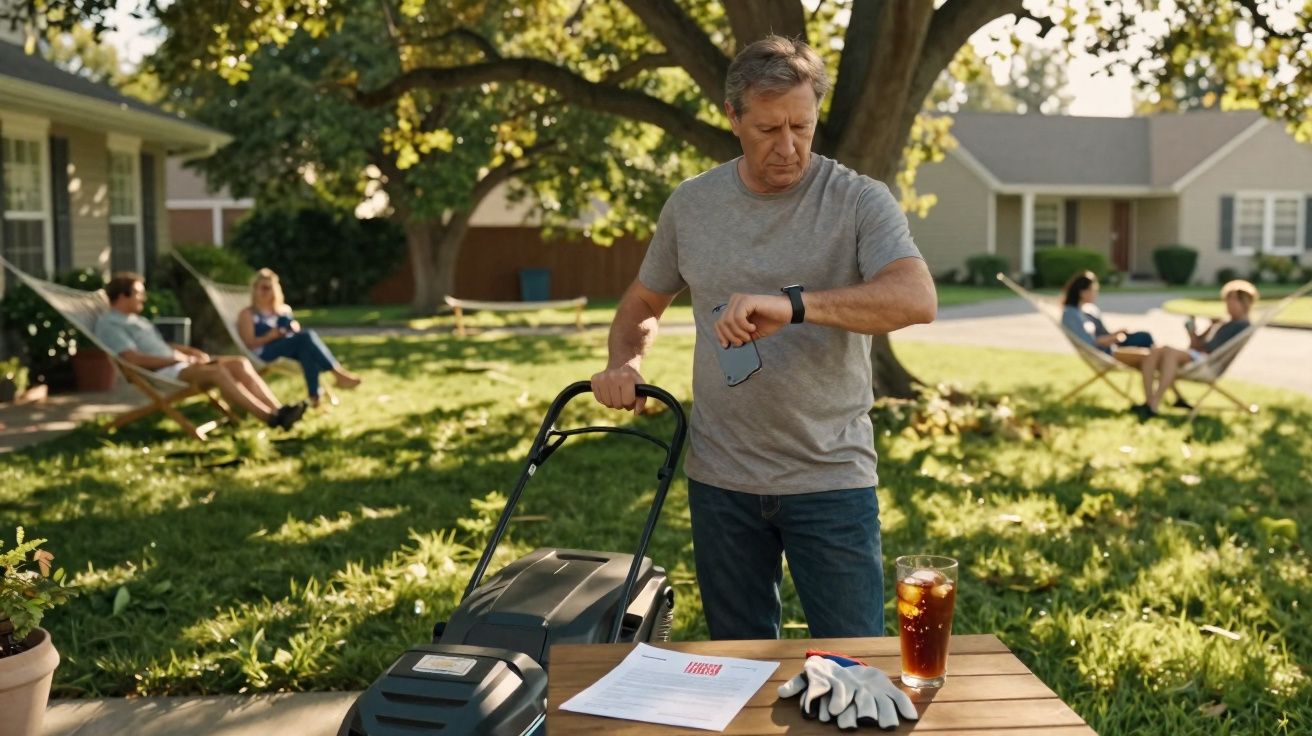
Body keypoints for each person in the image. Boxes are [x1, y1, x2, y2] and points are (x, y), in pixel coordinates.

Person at [590, 36, 937, 641]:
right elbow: (642, 304)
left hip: (831, 476)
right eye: (769, 128)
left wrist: (796, 306)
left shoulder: (857, 200)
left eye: (802, 126)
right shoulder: (692, 205)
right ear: (733, 117)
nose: (789, 147)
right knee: (737, 663)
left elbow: (916, 298)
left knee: (854, 660)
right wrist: (626, 361)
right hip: (721, 479)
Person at [94, 272, 306, 429]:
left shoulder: (137, 320)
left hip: (177, 363)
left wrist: (188, 352)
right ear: (122, 296)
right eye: (139, 294)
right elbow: (134, 359)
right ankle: (270, 418)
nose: (143, 298)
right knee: (217, 372)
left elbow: (160, 347)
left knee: (239, 363)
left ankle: (280, 410)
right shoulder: (110, 324)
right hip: (163, 373)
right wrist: (177, 359)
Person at [1133, 279, 1258, 420]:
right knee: (1155, 352)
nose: (1227, 304)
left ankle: (1154, 403)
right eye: (1227, 300)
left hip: (1207, 363)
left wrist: (1195, 334)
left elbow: (1208, 349)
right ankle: (1149, 401)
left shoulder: (1241, 326)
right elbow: (1199, 345)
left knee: (1168, 352)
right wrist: (1208, 328)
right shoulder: (1230, 323)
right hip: (1201, 356)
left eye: (1231, 300)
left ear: (1244, 303)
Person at [237, 268, 361, 406]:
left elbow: (293, 334)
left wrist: (293, 327)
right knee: (307, 337)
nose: (265, 291)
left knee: (306, 350)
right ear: (254, 289)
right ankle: (337, 374)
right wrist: (270, 336)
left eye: (269, 288)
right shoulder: (247, 314)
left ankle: (315, 397)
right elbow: (249, 343)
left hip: (288, 347)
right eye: (262, 287)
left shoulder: (283, 310)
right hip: (266, 351)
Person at [1060, 270, 1154, 367]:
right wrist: (1113, 338)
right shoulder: (1071, 315)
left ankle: (1159, 361)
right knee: (1150, 351)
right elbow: (1090, 342)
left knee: (1146, 337)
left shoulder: (1086, 310)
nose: (1096, 294)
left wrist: (1115, 334)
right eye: (1094, 290)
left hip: (1111, 345)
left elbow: (1098, 334)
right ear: (1083, 292)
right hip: (1106, 352)